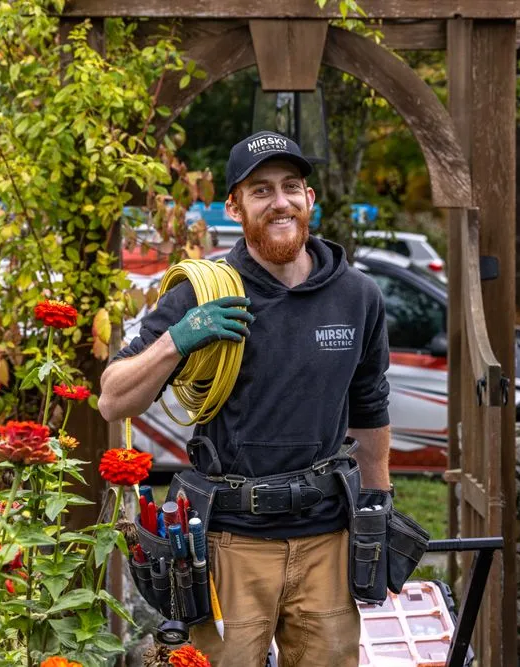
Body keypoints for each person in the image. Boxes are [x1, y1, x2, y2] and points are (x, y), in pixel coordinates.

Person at [98, 130, 391, 667]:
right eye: (260, 191)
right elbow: (113, 400)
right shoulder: (206, 293)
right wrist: (178, 338)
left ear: (309, 198)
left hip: (327, 537)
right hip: (231, 544)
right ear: (233, 206)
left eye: (291, 187)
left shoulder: (358, 295)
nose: (279, 201)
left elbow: (370, 406)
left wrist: (378, 505)